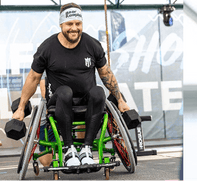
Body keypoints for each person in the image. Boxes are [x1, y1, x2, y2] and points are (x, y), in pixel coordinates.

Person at [12, 2, 130, 167]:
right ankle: (68, 149)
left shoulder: (92, 45)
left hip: (85, 102)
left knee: (98, 92)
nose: (74, 28)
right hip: (58, 101)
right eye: (69, 24)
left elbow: (106, 74)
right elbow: (33, 78)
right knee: (65, 92)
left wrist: (120, 99)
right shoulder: (47, 48)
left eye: (78, 24)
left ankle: (86, 149)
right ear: (61, 24)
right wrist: (20, 107)